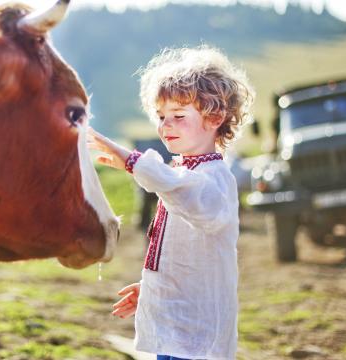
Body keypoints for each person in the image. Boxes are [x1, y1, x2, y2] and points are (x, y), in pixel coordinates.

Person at [87, 45, 254, 360]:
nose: (165, 125)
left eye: (178, 116)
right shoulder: (183, 173)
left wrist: (133, 161)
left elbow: (187, 196)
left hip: (198, 340)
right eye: (161, 116)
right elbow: (183, 258)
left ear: (215, 117)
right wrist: (153, 292)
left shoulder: (214, 178)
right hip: (175, 331)